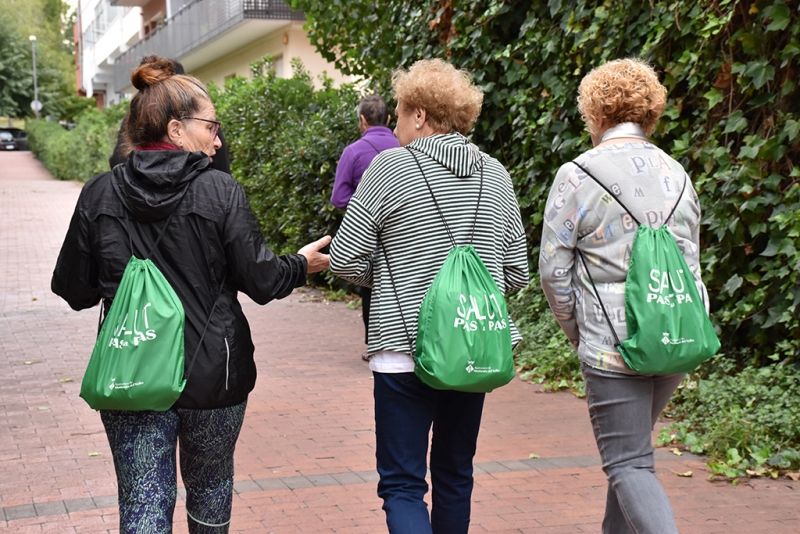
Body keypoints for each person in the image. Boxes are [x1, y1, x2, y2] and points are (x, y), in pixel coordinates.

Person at [51, 55, 330, 533]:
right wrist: (303, 264)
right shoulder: (220, 191)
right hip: (213, 376)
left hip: (131, 371)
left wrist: (120, 280)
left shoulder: (99, 195)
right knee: (210, 490)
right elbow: (262, 281)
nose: (218, 139)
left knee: (142, 505)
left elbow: (73, 290)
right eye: (212, 126)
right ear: (176, 129)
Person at [329, 58, 528, 534]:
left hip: (403, 349)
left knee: (402, 484)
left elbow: (343, 258)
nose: (395, 125)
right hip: (472, 349)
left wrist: (393, 274)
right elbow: (517, 269)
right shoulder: (496, 173)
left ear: (419, 115)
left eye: (398, 113)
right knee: (456, 475)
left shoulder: (390, 169)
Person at [539, 58, 709, 533]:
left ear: (594, 113)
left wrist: (579, 334)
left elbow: (553, 272)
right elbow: (692, 260)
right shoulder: (677, 172)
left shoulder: (577, 174)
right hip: (676, 338)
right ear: (650, 112)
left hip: (613, 346)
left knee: (629, 463)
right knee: (630, 454)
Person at [330, 95, 400, 361]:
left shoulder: (354, 151)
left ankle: (375, 345)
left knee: (371, 284)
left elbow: (338, 198)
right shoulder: (405, 146)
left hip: (370, 234)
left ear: (362, 120)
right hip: (404, 228)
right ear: (389, 119)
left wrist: (364, 204)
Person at [108, 57, 231, 174]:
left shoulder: (133, 118)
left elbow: (116, 160)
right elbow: (222, 168)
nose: (217, 142)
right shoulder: (200, 119)